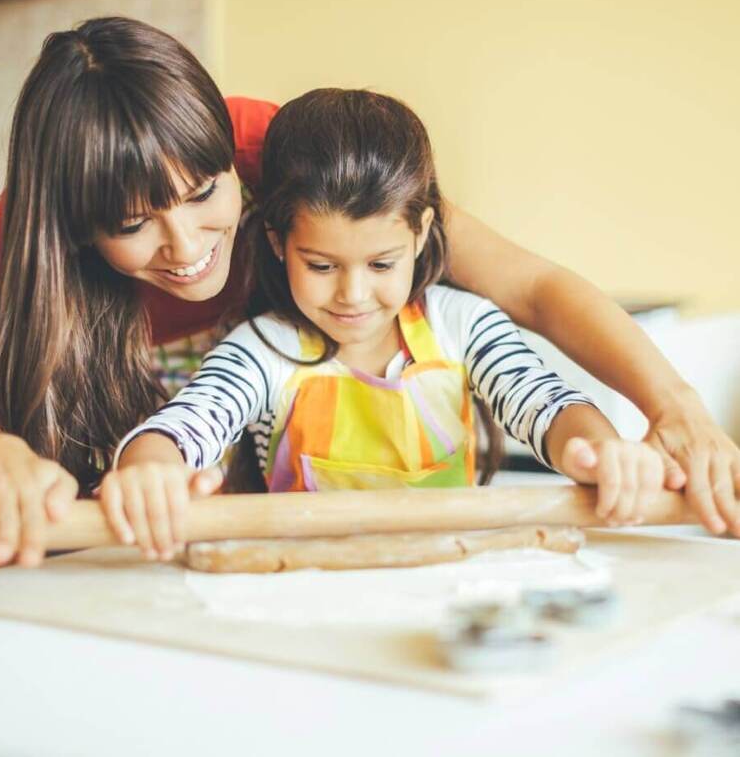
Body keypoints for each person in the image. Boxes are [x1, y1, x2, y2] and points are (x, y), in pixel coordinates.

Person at [0, 18, 736, 569]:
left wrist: (669, 409)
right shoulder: (31, 232)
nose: (189, 248)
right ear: (71, 228)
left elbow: (534, 290)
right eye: (133, 223)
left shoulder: (293, 156)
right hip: (164, 533)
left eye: (206, 194)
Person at [101, 88, 673, 560]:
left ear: (421, 234)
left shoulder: (463, 325)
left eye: (381, 264)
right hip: (302, 594)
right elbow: (188, 425)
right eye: (321, 266)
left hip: (454, 585)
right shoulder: (261, 350)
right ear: (277, 243)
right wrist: (151, 470)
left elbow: (544, 403)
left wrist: (601, 450)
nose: (353, 294)